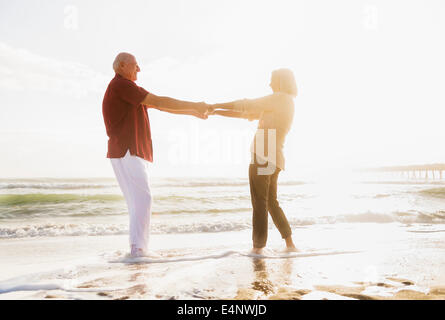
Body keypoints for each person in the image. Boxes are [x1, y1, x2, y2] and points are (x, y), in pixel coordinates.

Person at [102, 52, 209, 257]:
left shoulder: (124, 88)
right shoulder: (122, 85)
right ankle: (138, 249)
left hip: (123, 151)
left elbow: (159, 106)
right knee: (143, 199)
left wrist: (192, 112)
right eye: (135, 65)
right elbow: (159, 101)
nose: (139, 69)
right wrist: (195, 104)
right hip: (128, 150)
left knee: (137, 201)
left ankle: (137, 248)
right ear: (122, 66)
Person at [210, 68, 298, 254]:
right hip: (274, 158)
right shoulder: (283, 103)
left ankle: (258, 248)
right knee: (271, 202)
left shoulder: (280, 98)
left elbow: (247, 104)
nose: (270, 84)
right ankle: (290, 244)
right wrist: (216, 111)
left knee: (260, 201)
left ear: (280, 81)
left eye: (272, 80)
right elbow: (245, 113)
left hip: (264, 156)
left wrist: (215, 104)